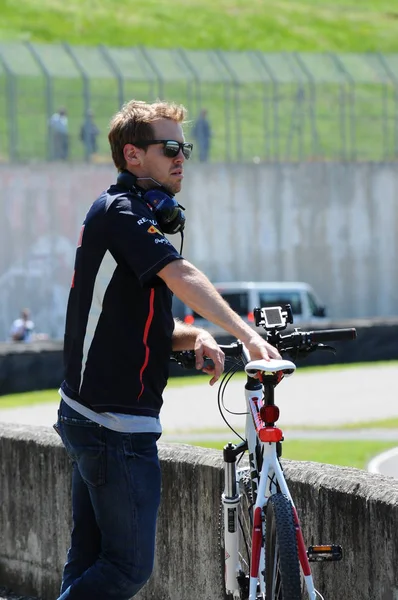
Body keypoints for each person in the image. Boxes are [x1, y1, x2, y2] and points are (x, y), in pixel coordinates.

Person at [54, 99, 280, 600]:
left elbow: (132, 318)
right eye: (169, 147)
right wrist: (246, 334)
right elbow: (182, 276)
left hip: (90, 415)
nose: (181, 158)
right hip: (112, 424)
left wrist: (193, 334)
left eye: (185, 147)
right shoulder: (123, 212)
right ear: (132, 155)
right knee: (126, 569)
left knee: (88, 562)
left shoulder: (125, 215)